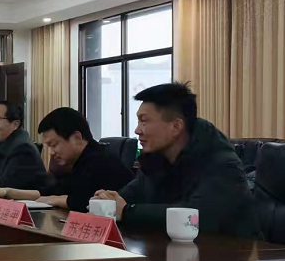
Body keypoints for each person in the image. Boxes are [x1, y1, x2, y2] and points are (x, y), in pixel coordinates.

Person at [94, 82, 258, 237]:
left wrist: (127, 211)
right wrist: (106, 201)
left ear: (176, 127)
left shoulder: (222, 164)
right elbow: (128, 197)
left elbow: (196, 217)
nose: (137, 130)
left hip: (226, 253)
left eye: (144, 121)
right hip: (168, 250)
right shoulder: (155, 160)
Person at [0, 107, 134, 211]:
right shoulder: (78, 162)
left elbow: (83, 202)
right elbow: (49, 193)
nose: (51, 153)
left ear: (76, 137)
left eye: (54, 144)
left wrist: (55, 199)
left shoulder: (99, 160)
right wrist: (8, 192)